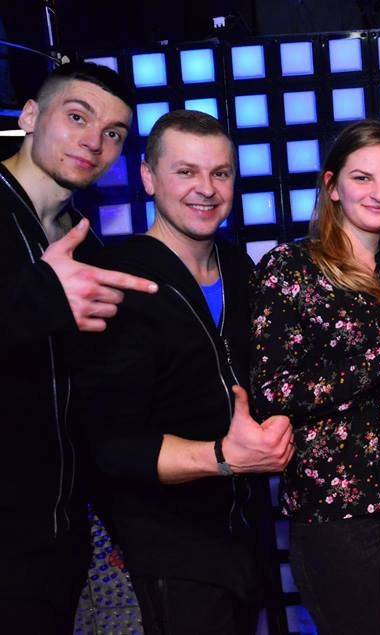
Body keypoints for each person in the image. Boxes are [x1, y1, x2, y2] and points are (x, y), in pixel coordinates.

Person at [73, 110, 294, 635]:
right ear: (149, 178)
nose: (206, 189)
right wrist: (223, 458)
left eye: (220, 173)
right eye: (186, 172)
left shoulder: (239, 269)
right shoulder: (117, 282)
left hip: (244, 540)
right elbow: (111, 446)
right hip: (167, 549)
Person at [249, 119, 380, 635]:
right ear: (332, 186)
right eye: (362, 178)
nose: (379, 193)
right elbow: (272, 391)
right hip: (336, 515)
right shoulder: (290, 269)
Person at [0, 61, 158, 634]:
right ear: (29, 116)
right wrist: (38, 298)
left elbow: (84, 402)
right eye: (77, 117)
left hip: (54, 540)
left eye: (113, 132)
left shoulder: (82, 244)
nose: (94, 141)